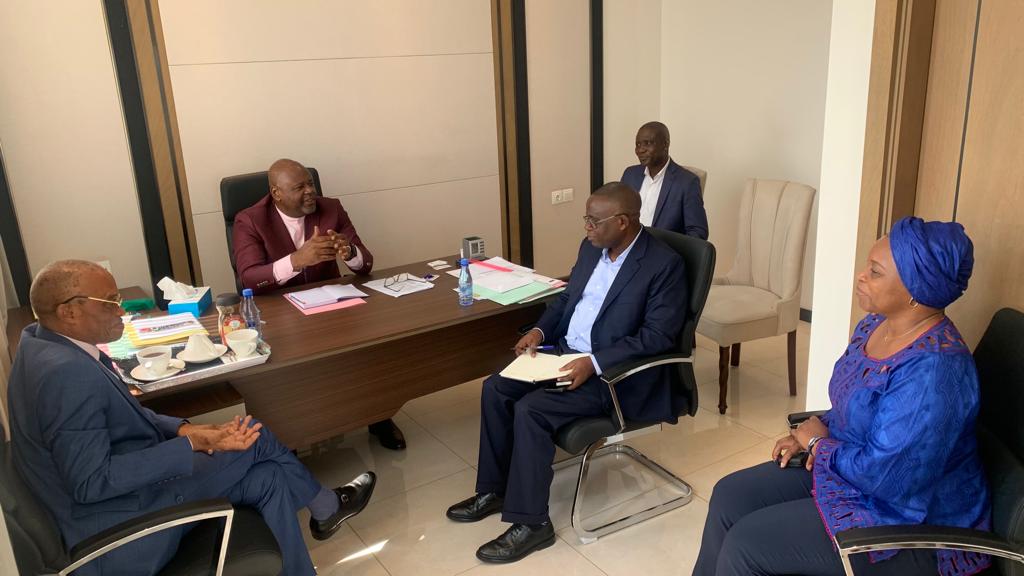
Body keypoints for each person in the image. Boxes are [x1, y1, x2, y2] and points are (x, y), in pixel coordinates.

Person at [8, 260, 377, 576]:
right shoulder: (66, 374)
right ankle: (327, 506)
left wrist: (186, 428)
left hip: (121, 500)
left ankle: (312, 541)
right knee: (256, 438)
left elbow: (130, 417)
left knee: (269, 477)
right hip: (120, 528)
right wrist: (190, 445)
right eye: (110, 303)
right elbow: (92, 482)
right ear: (69, 312)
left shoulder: (40, 340)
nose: (121, 311)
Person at [693, 217, 992, 576]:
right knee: (730, 495)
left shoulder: (934, 371)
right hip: (849, 472)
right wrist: (808, 433)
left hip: (909, 520)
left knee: (747, 545)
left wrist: (817, 443)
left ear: (916, 289)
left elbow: (887, 476)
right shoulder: (875, 326)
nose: (861, 276)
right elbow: (856, 406)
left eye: (875, 272)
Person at [445, 182, 688, 563]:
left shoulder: (663, 265)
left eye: (594, 221)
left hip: (613, 376)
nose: (586, 227)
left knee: (532, 410)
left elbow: (658, 336)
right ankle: (496, 490)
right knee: (496, 388)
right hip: (563, 352)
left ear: (622, 222)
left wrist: (593, 363)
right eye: (585, 219)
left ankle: (533, 524)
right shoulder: (592, 249)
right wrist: (539, 332)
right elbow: (567, 299)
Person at [232, 158, 406, 451]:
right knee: (287, 368)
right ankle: (290, 433)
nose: (310, 191)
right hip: (278, 311)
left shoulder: (331, 208)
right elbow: (248, 277)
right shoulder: (249, 220)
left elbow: (366, 264)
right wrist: (296, 261)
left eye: (310, 184)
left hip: (329, 304)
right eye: (299, 187)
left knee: (371, 344)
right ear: (276, 194)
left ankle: (379, 414)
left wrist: (349, 252)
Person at [620, 121, 708, 239]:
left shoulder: (687, 182)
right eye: (638, 144)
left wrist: (669, 249)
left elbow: (698, 232)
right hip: (628, 246)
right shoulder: (630, 174)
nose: (640, 150)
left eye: (647, 143)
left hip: (662, 248)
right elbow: (618, 215)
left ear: (665, 145)